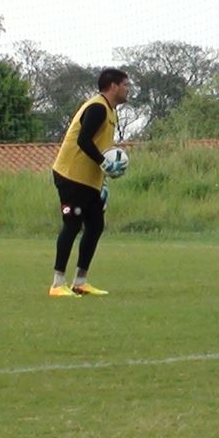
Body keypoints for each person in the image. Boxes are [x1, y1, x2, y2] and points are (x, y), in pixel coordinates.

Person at [48, 68, 130, 298]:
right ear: (113, 86)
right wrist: (104, 163)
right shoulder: (97, 107)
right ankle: (57, 284)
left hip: (88, 180)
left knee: (95, 225)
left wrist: (102, 181)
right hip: (70, 175)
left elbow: (98, 145)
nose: (128, 89)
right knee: (72, 224)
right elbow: (83, 140)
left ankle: (80, 282)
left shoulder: (111, 111)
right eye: (126, 84)